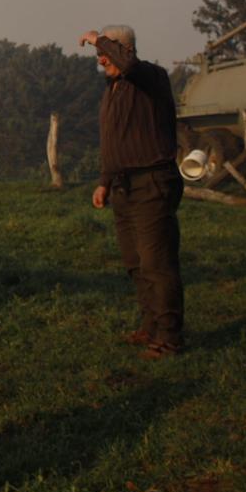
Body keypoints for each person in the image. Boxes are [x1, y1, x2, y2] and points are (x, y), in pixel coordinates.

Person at [80, 24, 184, 358]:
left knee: (157, 263)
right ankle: (150, 327)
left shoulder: (151, 77)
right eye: (98, 54)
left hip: (152, 182)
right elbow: (115, 139)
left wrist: (99, 39)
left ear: (124, 49)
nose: (100, 60)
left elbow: (130, 66)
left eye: (104, 53)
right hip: (123, 186)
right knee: (135, 263)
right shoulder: (114, 89)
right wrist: (104, 182)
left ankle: (169, 338)